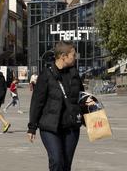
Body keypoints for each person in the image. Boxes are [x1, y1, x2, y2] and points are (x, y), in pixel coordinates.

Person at [27, 41, 93, 171]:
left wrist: (89, 107)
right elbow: (37, 102)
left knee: (66, 165)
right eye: (73, 55)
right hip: (50, 127)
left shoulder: (74, 74)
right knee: (56, 161)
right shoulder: (46, 75)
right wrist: (32, 127)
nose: (75, 57)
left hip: (71, 127)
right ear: (63, 56)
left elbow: (80, 97)